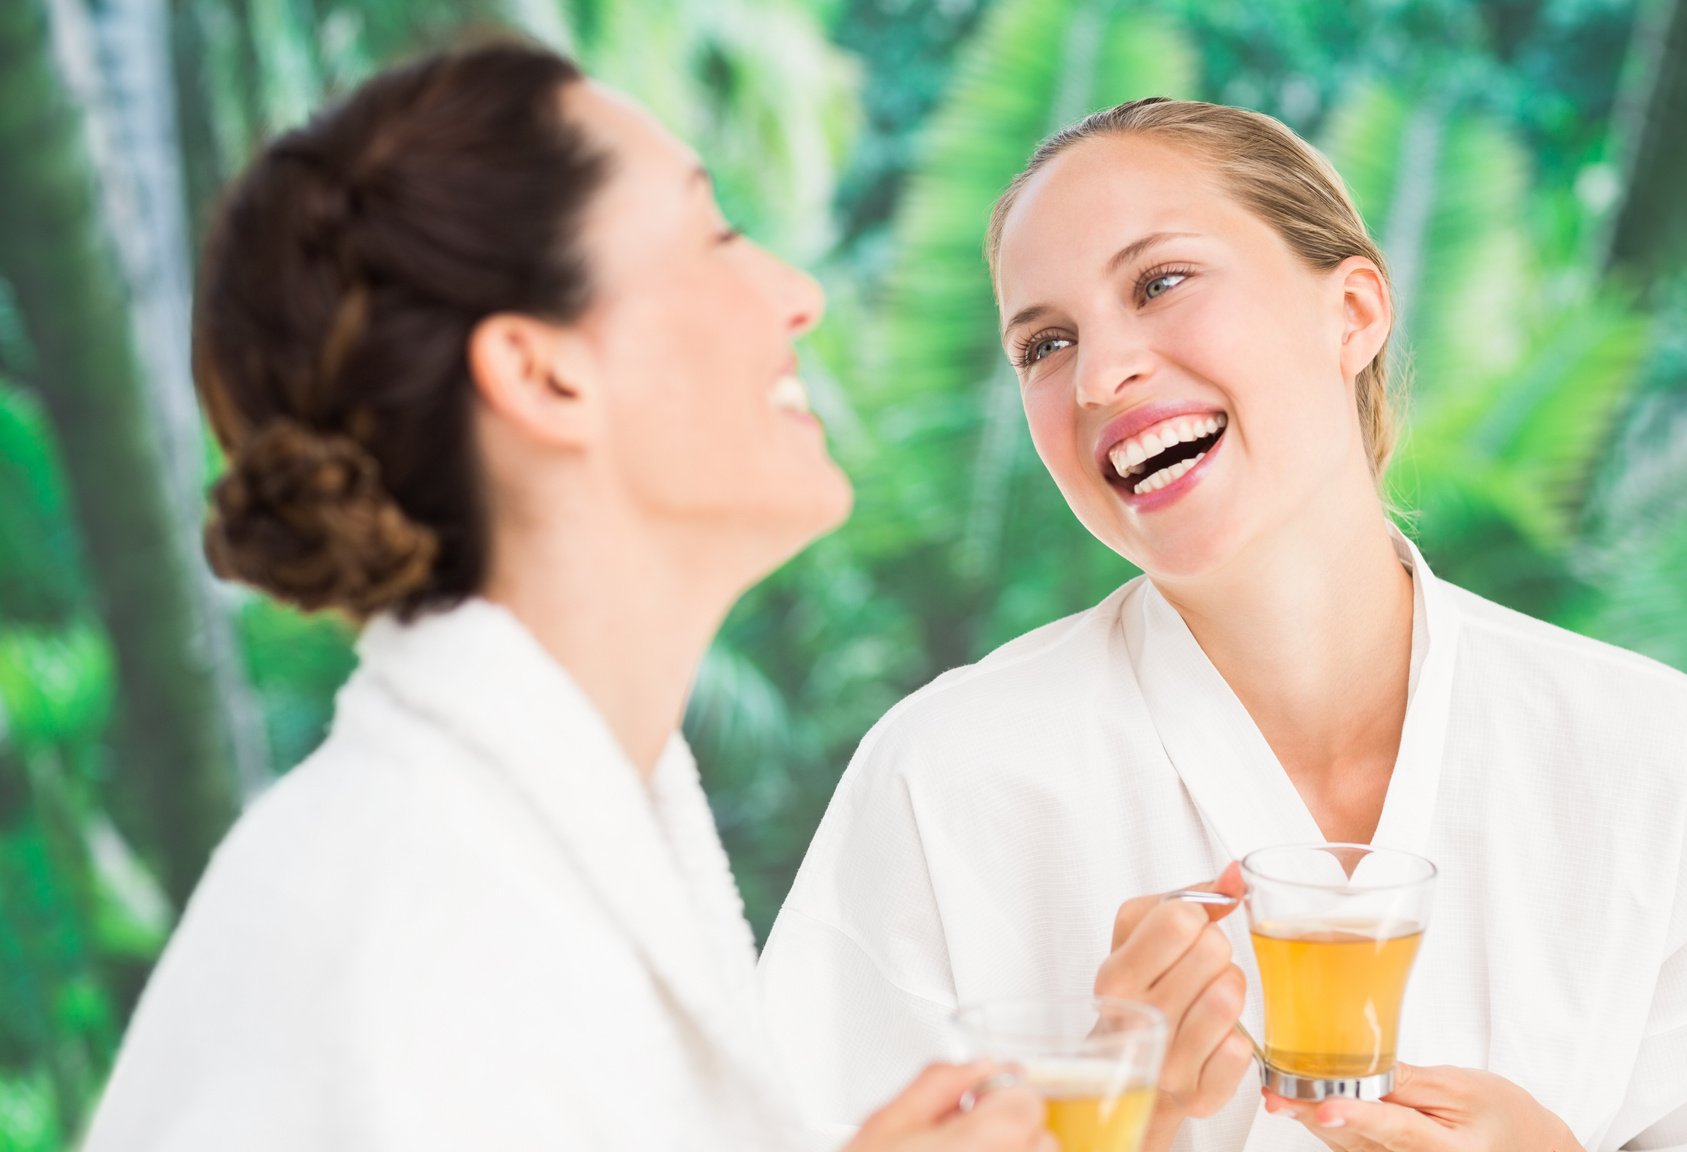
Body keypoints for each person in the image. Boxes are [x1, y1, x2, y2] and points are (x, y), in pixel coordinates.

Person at [80, 40, 1055, 1152]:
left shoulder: (529, 867)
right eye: (715, 235)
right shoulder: (400, 912)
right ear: (545, 375)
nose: (796, 294)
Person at [757, 97, 1687, 1152]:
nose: (1098, 375)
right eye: (1044, 343)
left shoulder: (1654, 757)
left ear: (1352, 313)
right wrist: (1118, 1130)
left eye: (1160, 282)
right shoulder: (944, 781)